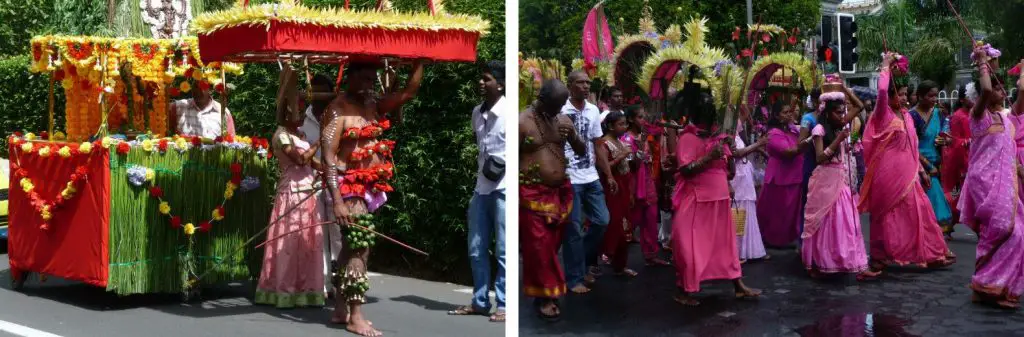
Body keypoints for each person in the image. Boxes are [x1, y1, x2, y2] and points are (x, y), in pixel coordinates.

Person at [321, 59, 424, 337]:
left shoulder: (372, 105)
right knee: (359, 247)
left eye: (372, 79)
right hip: (349, 189)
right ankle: (356, 315)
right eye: (365, 79)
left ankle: (341, 308)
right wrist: (338, 201)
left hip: (371, 189)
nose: (369, 85)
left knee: (348, 248)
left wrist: (419, 63)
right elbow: (328, 157)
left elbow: (408, 94)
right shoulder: (336, 109)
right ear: (350, 78)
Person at [859, 52, 954, 276]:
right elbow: (881, 91)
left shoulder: (907, 116)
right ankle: (880, 258)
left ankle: (930, 252)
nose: (904, 98)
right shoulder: (883, 114)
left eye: (904, 94)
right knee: (885, 217)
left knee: (920, 210)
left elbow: (913, 146)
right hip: (887, 174)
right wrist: (884, 66)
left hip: (910, 172)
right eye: (900, 95)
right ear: (890, 96)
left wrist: (921, 170)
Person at [670, 87, 761, 306]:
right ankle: (684, 290)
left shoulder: (719, 136)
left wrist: (728, 152)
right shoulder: (688, 138)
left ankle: (737, 286)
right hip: (696, 201)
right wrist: (709, 156)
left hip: (719, 199)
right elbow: (686, 169)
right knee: (689, 247)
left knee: (726, 246)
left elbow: (729, 169)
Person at [255, 64, 326, 308]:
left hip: (309, 195)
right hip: (291, 197)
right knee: (288, 245)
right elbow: (300, 160)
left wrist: (330, 170)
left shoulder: (302, 136)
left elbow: (313, 164)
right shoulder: (281, 136)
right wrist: (321, 142)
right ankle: (282, 291)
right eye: (295, 110)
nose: (298, 114)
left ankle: (306, 290)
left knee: (308, 244)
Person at [959, 50, 1024, 309]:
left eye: (1000, 87)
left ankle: (997, 286)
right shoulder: (979, 117)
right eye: (995, 87)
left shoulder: (1007, 121)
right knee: (999, 230)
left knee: (1018, 234)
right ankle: (984, 285)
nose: (998, 90)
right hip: (984, 183)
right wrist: (983, 64)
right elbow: (985, 91)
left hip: (1006, 184)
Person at [520, 79, 586, 320]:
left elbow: (582, 151)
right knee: (540, 248)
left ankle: (545, 290)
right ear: (542, 99)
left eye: (561, 106)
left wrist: (574, 137)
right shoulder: (522, 121)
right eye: (556, 105)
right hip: (532, 194)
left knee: (552, 246)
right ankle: (546, 297)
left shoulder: (563, 120)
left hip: (560, 193)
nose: (559, 110)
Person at [449, 61, 507, 322]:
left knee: (504, 249)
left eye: (487, 79)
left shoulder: (508, 114)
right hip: (481, 187)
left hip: (503, 188)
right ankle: (480, 300)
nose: (481, 83)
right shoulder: (477, 112)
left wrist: (502, 163)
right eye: (481, 79)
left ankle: (504, 305)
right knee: (476, 247)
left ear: (501, 84)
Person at [801, 83, 877, 280]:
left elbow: (859, 106)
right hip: (826, 180)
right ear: (827, 113)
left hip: (842, 180)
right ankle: (826, 262)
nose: (842, 116)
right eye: (837, 113)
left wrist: (843, 88)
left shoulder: (841, 125)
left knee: (849, 224)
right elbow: (819, 158)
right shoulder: (819, 129)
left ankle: (858, 264)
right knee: (828, 224)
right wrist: (838, 139)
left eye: (843, 113)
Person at [560, 71, 614, 294]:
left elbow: (598, 144)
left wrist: (608, 174)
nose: (586, 86)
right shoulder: (560, 109)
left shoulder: (593, 110)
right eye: (581, 82)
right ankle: (574, 278)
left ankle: (579, 261)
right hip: (569, 176)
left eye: (588, 83)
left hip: (590, 176)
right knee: (572, 228)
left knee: (602, 220)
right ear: (570, 85)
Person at [297, 73, 345, 296]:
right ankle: (324, 283)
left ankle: (343, 278)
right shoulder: (301, 118)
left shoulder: (338, 115)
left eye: (322, 91)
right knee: (318, 233)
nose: (318, 96)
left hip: (337, 181)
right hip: (312, 183)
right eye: (314, 90)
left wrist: (331, 169)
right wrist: (319, 166)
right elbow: (300, 151)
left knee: (338, 231)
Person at [758, 98, 810, 248]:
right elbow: (789, 152)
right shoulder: (774, 133)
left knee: (792, 211)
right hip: (780, 178)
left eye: (790, 112)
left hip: (794, 176)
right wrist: (808, 141)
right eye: (785, 112)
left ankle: (788, 238)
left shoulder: (791, 128)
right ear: (776, 115)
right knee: (780, 212)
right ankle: (775, 239)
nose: (789, 115)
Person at [622, 105, 670, 266]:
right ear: (630, 119)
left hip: (647, 182)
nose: (643, 120)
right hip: (633, 185)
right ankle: (613, 253)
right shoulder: (626, 139)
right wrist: (639, 152)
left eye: (644, 116)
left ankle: (651, 255)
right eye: (640, 117)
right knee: (631, 220)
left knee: (650, 218)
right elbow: (631, 166)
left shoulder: (644, 137)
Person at [909, 81, 954, 235]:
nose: (934, 99)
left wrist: (945, 140)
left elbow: (948, 137)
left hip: (937, 165)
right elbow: (910, 146)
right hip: (917, 167)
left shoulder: (939, 114)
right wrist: (928, 166)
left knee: (932, 209)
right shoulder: (911, 116)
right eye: (930, 95)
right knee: (925, 208)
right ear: (920, 96)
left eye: (936, 95)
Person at [596, 111, 636, 277]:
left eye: (625, 123)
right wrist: (622, 156)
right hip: (613, 188)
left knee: (625, 224)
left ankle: (620, 264)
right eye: (621, 124)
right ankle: (606, 255)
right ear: (611, 126)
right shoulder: (604, 144)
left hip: (625, 188)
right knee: (615, 225)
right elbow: (604, 168)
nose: (625, 127)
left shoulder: (620, 142)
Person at [732, 105, 769, 262]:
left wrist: (746, 114)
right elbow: (737, 153)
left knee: (747, 212)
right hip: (738, 178)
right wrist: (758, 144)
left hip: (744, 177)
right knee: (738, 212)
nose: (740, 120)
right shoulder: (729, 135)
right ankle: (738, 251)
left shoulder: (737, 134)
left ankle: (749, 251)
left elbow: (742, 119)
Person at [941, 85, 974, 238]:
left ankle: (950, 224)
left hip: (972, 157)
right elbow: (954, 141)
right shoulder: (958, 116)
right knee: (958, 194)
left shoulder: (974, 114)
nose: (974, 99)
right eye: (970, 96)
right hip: (961, 160)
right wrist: (967, 142)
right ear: (962, 100)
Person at [169, 79, 237, 139]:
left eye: (203, 87)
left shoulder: (222, 111)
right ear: (192, 89)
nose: (199, 91)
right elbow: (161, 123)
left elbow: (230, 141)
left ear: (210, 90)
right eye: (196, 87)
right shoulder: (178, 107)